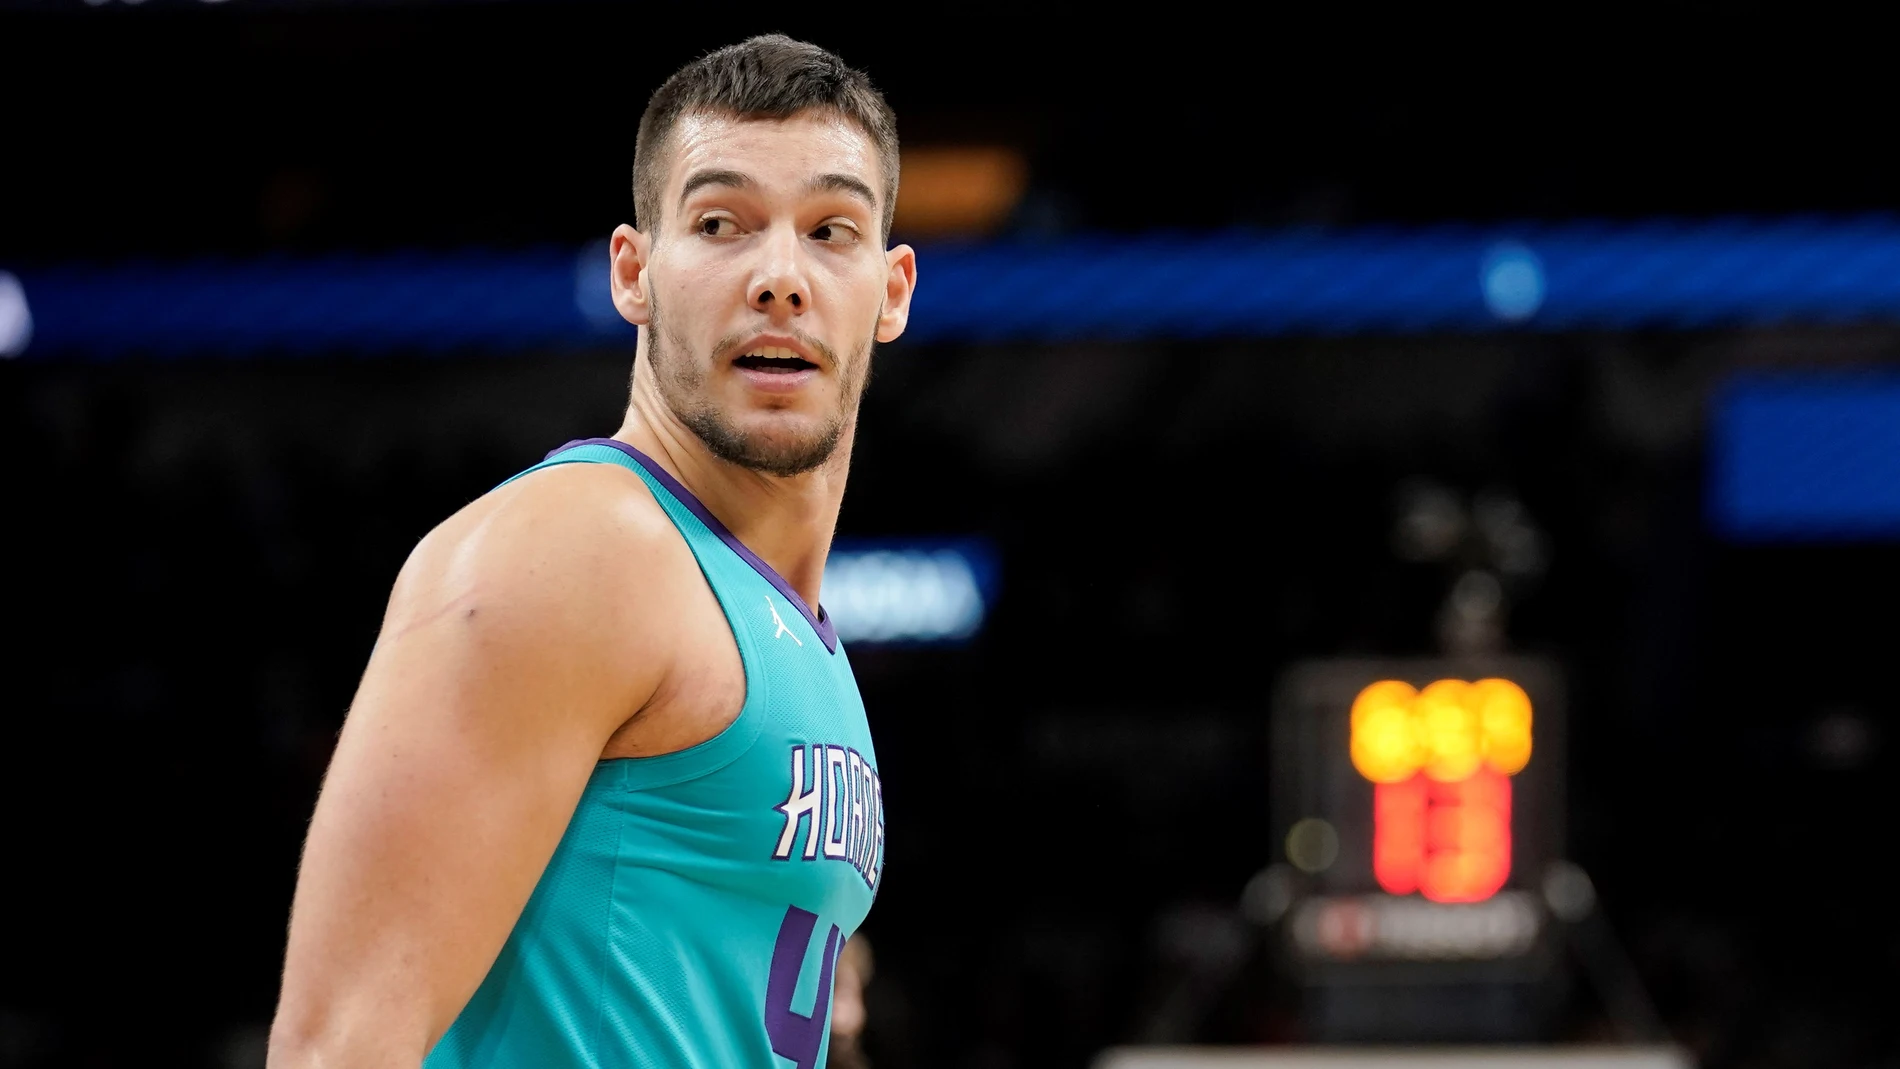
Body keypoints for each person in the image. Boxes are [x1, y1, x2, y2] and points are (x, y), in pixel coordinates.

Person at [267, 35, 916, 1069]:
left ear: (892, 289)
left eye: (829, 230)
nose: (780, 278)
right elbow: (335, 1048)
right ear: (634, 273)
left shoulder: (787, 624)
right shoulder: (576, 549)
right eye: (720, 223)